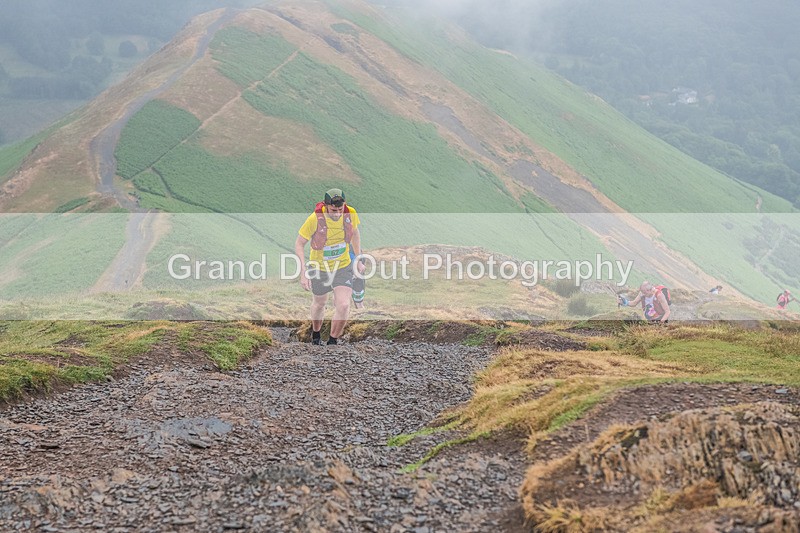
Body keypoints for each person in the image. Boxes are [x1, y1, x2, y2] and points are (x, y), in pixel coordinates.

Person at [295, 188, 365, 345]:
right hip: (319, 268)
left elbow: (355, 233)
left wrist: (358, 259)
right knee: (320, 303)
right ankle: (316, 334)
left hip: (343, 266)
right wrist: (303, 273)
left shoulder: (350, 214)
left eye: (340, 209)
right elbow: (299, 244)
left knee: (344, 304)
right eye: (334, 210)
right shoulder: (315, 219)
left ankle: (333, 341)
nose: (337, 213)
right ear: (326, 206)